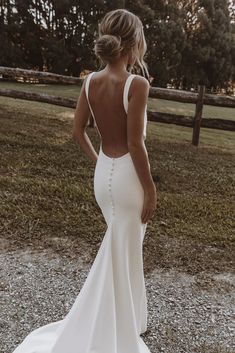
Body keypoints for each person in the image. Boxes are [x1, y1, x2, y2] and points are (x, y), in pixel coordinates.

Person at [12, 8, 157, 353]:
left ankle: (131, 319)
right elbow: (136, 143)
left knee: (121, 248)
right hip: (127, 180)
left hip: (104, 175)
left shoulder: (91, 81)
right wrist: (150, 189)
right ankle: (111, 327)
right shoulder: (137, 84)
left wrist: (99, 163)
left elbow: (78, 131)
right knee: (122, 250)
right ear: (134, 44)